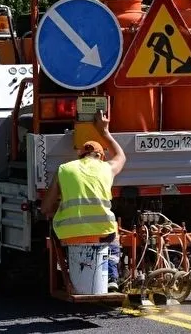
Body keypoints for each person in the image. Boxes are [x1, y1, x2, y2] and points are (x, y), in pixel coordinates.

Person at [41, 110, 127, 292]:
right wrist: (104, 132)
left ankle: (68, 271)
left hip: (69, 234)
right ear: (101, 156)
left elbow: (45, 207)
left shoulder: (64, 169)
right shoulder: (107, 168)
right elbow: (121, 156)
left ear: (80, 155)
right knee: (114, 237)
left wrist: (57, 209)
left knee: (56, 228)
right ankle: (111, 276)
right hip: (102, 232)